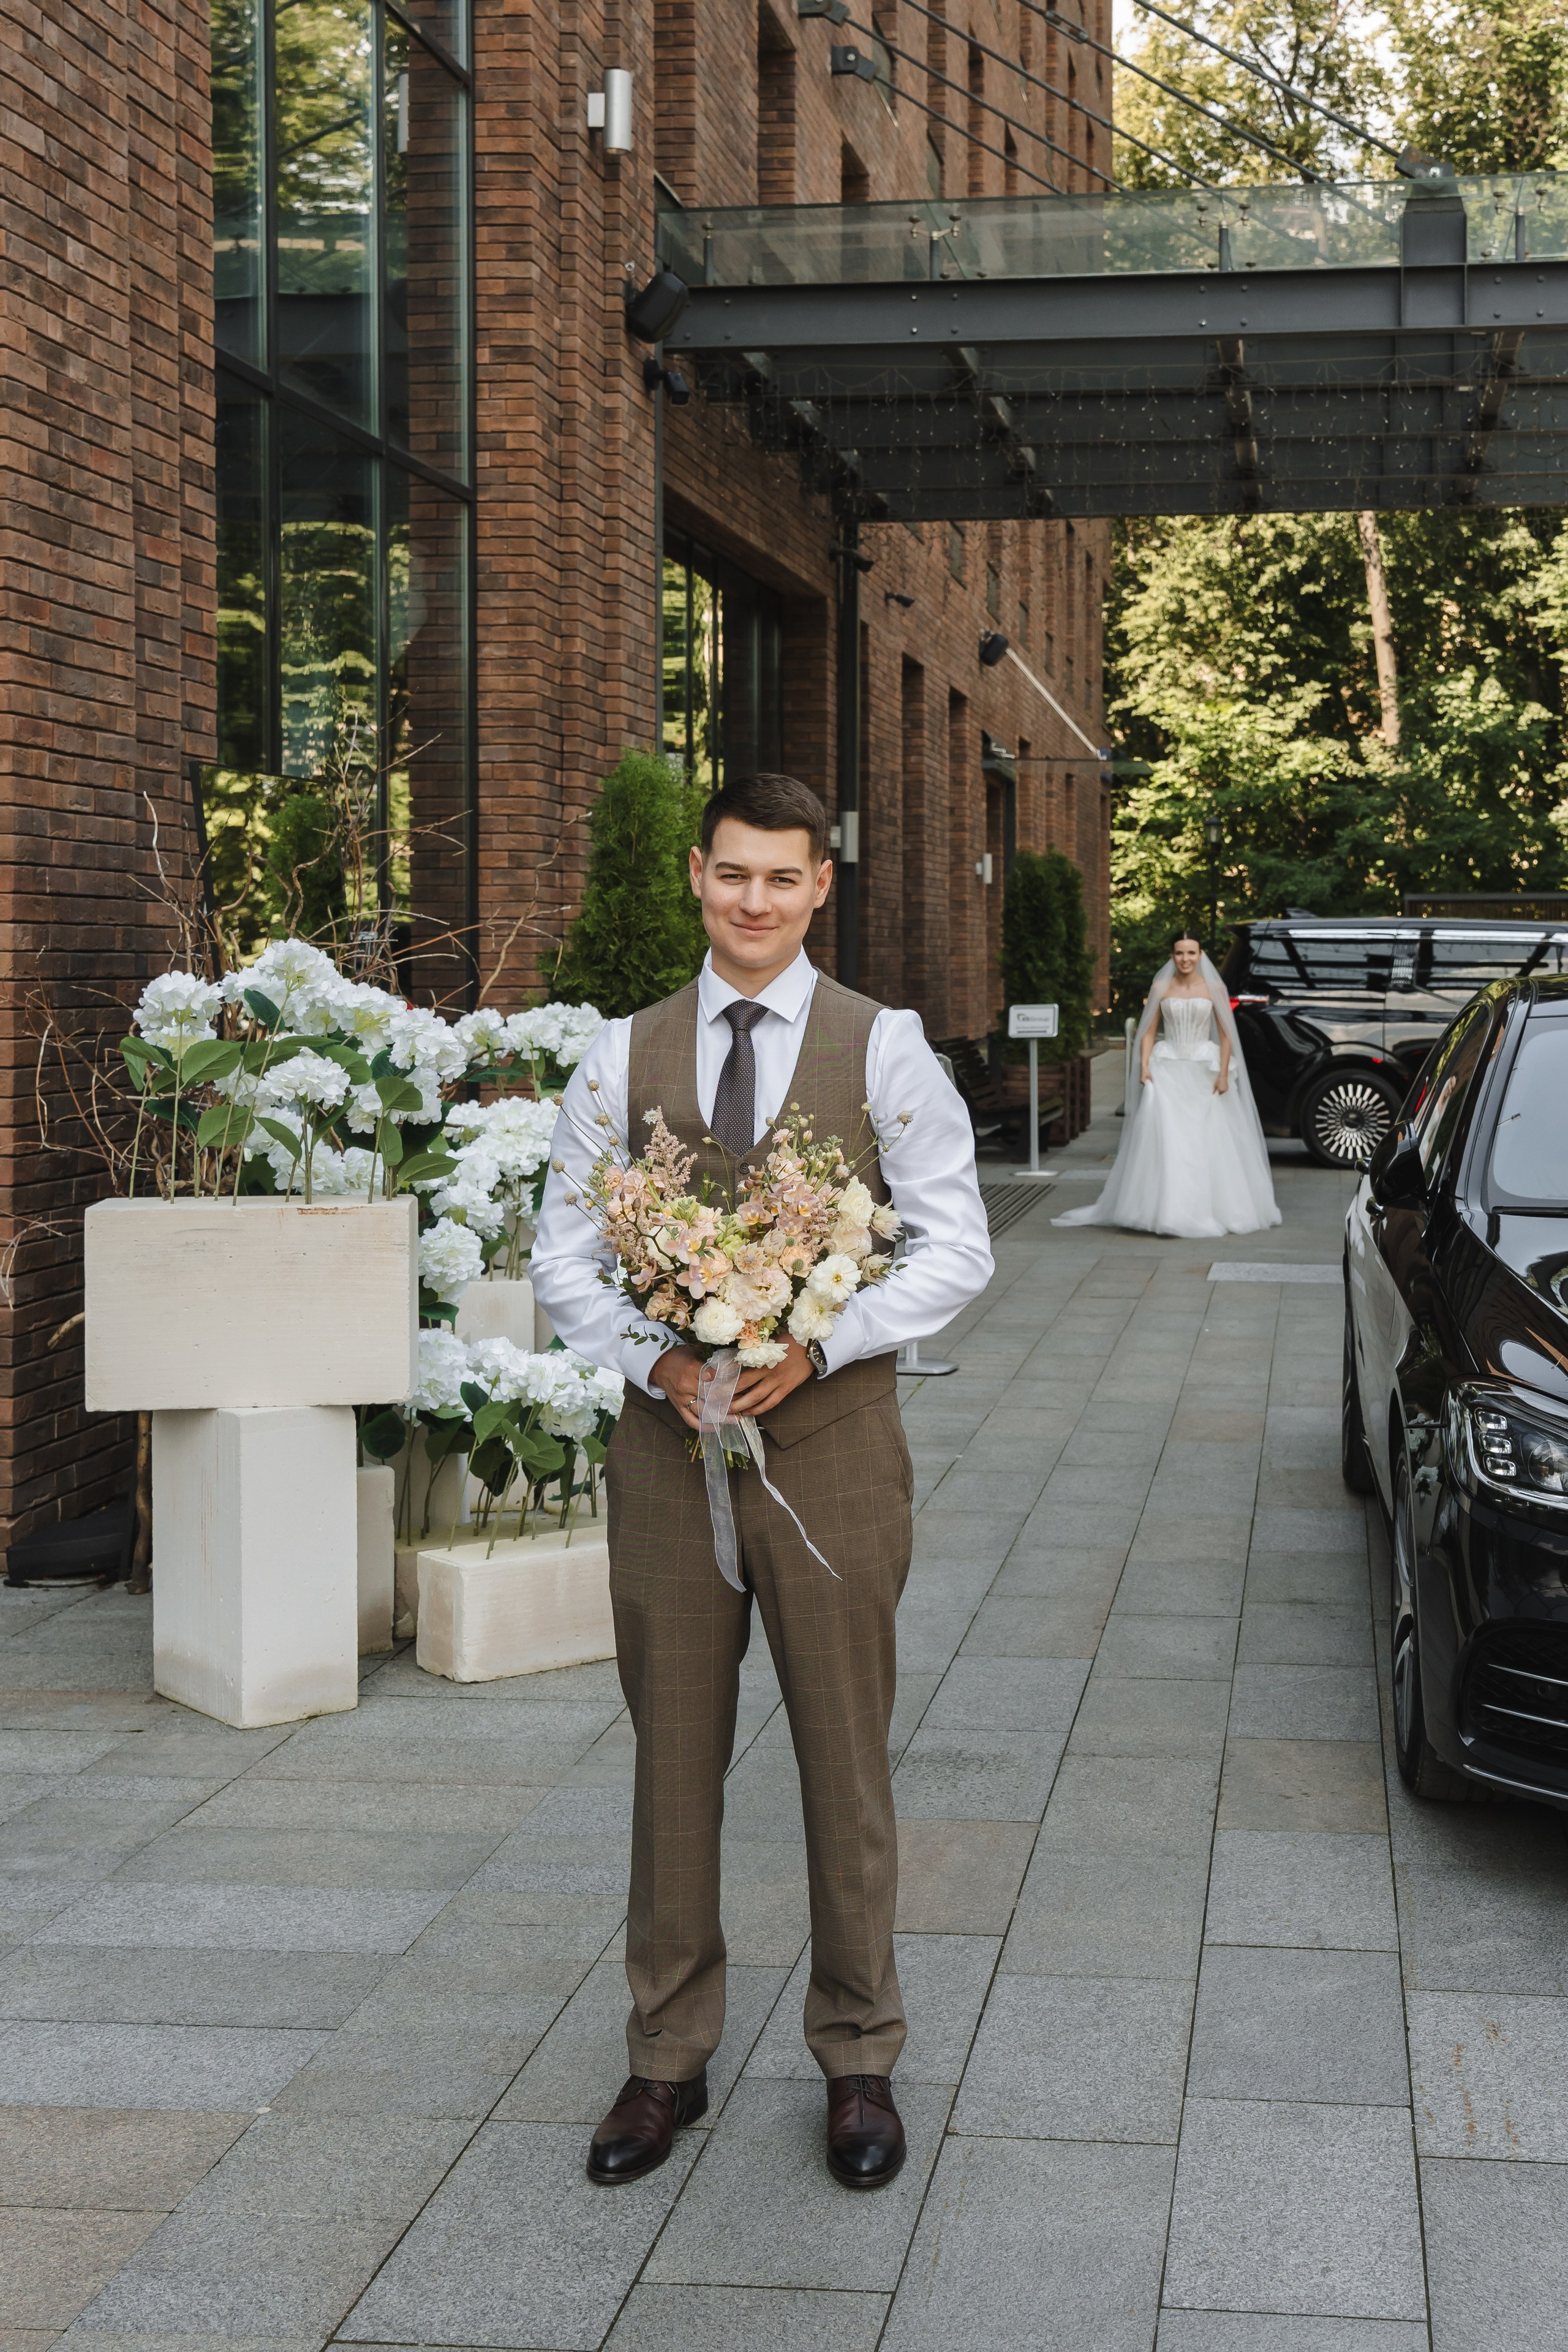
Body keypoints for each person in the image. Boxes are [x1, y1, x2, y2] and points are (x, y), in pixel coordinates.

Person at [530, 771, 992, 2193]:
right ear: (695, 873)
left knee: (843, 1756)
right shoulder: (618, 1056)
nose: (752, 900)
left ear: (817, 888)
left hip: (834, 1445)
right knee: (671, 1755)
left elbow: (954, 1241)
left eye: (779, 879)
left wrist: (825, 1337)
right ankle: (664, 2054)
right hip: (666, 1452)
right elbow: (558, 1250)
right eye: (731, 873)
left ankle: (858, 2053)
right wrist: (647, 1359)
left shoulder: (884, 1045)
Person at [1053, 930, 1281, 1238]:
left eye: (1191, 953)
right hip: (1168, 1067)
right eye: (1179, 953)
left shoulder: (1213, 986)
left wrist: (1224, 1072)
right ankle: (1164, 1209)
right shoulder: (1161, 985)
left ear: (1200, 955)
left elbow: (1226, 1033)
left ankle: (1209, 1208)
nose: (1185, 959)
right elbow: (1147, 1031)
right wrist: (1145, 1066)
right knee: (1167, 1139)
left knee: (1205, 1138)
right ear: (1172, 956)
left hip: (1204, 1069)